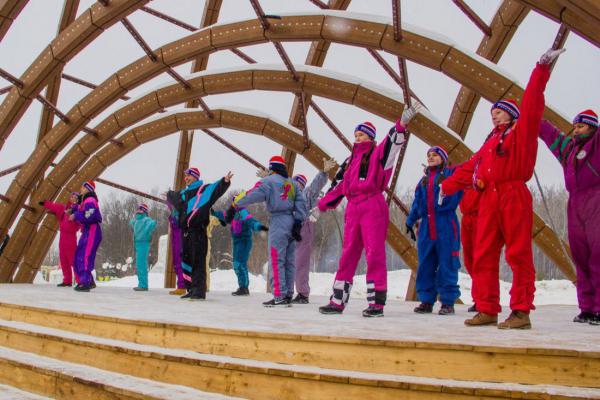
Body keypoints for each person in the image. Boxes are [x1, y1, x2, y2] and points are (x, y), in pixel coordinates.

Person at [440, 48, 565, 329]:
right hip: (489, 200)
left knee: (518, 253)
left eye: (499, 113)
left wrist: (541, 70)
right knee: (483, 253)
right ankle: (487, 308)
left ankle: (520, 311)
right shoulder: (488, 144)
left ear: (511, 115)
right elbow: (468, 168)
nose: (494, 117)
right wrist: (445, 187)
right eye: (493, 113)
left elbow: (532, 103)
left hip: (513, 195)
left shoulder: (522, 134)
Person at [317, 103, 420, 317]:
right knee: (347, 255)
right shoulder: (350, 161)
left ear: (370, 138)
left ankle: (376, 303)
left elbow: (392, 145)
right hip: (353, 208)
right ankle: (337, 301)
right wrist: (321, 205)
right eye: (356, 135)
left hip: (372, 204)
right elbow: (340, 186)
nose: (358, 138)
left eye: (362, 135)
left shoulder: (377, 155)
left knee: (374, 253)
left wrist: (402, 124)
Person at [539, 109, 600, 325]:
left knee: (597, 255)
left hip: (596, 198)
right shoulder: (570, 149)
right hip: (574, 202)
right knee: (581, 256)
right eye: (575, 127)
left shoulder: (597, 144)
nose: (576, 130)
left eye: (581, 127)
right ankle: (587, 308)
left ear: (592, 127)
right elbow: (551, 135)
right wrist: (534, 116)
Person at [231, 156, 307, 307]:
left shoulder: (268, 182)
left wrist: (237, 201)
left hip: (278, 221)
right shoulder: (292, 183)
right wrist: (298, 222)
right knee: (289, 261)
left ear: (272, 168)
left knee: (276, 259)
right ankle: (288, 295)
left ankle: (279, 295)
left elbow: (252, 194)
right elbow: (302, 203)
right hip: (292, 222)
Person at [406, 146, 463, 315]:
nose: (431, 158)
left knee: (448, 262)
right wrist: (410, 221)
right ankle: (426, 300)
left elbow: (458, 190)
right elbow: (417, 204)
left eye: (435, 155)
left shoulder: (451, 176)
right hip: (426, 226)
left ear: (443, 159)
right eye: (429, 155)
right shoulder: (423, 181)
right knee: (425, 263)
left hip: (446, 223)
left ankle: (447, 302)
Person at [167, 167, 232, 300]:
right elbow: (175, 198)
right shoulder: (184, 194)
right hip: (186, 232)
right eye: (185, 176)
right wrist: (168, 193)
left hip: (198, 231)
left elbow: (216, 189)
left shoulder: (203, 190)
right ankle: (190, 289)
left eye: (189, 176)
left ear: (196, 177)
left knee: (198, 262)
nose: (186, 178)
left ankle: (199, 291)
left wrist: (224, 182)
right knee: (187, 261)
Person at [290, 159, 336, 304]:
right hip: (290, 233)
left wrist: (323, 172)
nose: (295, 185)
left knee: (300, 263)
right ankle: (286, 292)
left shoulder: (306, 195)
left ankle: (303, 294)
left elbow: (316, 186)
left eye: (298, 183)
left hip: (304, 231)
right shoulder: (287, 198)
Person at [213, 193, 268, 296]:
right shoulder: (232, 213)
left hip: (244, 241)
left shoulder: (243, 212)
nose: (235, 203)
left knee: (240, 263)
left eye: (237, 201)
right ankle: (242, 286)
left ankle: (244, 288)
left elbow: (250, 221)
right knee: (236, 264)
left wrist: (259, 226)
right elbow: (223, 216)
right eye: (234, 201)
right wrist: (213, 213)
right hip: (236, 241)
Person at [39, 192, 80, 287]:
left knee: (73, 260)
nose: (73, 198)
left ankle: (79, 281)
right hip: (62, 238)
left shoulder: (77, 210)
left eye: (75, 197)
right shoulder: (63, 208)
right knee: (63, 260)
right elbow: (54, 206)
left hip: (71, 238)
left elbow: (80, 222)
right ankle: (67, 280)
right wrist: (45, 203)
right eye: (72, 196)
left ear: (78, 200)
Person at [70, 180, 102, 292]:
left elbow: (89, 215)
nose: (80, 189)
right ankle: (88, 280)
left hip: (92, 230)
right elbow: (81, 212)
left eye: (83, 187)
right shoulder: (85, 201)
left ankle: (85, 282)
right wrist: (75, 207)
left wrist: (76, 215)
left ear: (88, 188)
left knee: (84, 255)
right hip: (87, 231)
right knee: (79, 255)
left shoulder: (90, 200)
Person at [459, 188, 481, 312]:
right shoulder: (463, 172)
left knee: (481, 260)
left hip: (480, 216)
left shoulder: (481, 171)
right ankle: (479, 298)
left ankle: (483, 299)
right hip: (467, 217)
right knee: (470, 260)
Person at [129, 203, 157, 291]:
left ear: (143, 211)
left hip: (144, 243)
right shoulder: (137, 220)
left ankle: (143, 285)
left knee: (141, 264)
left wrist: (151, 226)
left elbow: (153, 224)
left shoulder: (146, 220)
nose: (138, 211)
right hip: (138, 243)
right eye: (138, 209)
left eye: (140, 210)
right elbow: (131, 223)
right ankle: (142, 284)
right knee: (139, 264)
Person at [167, 196, 187, 295]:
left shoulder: (179, 212)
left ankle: (182, 286)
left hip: (179, 237)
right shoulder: (174, 212)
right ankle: (181, 285)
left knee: (179, 261)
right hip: (175, 238)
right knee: (176, 262)